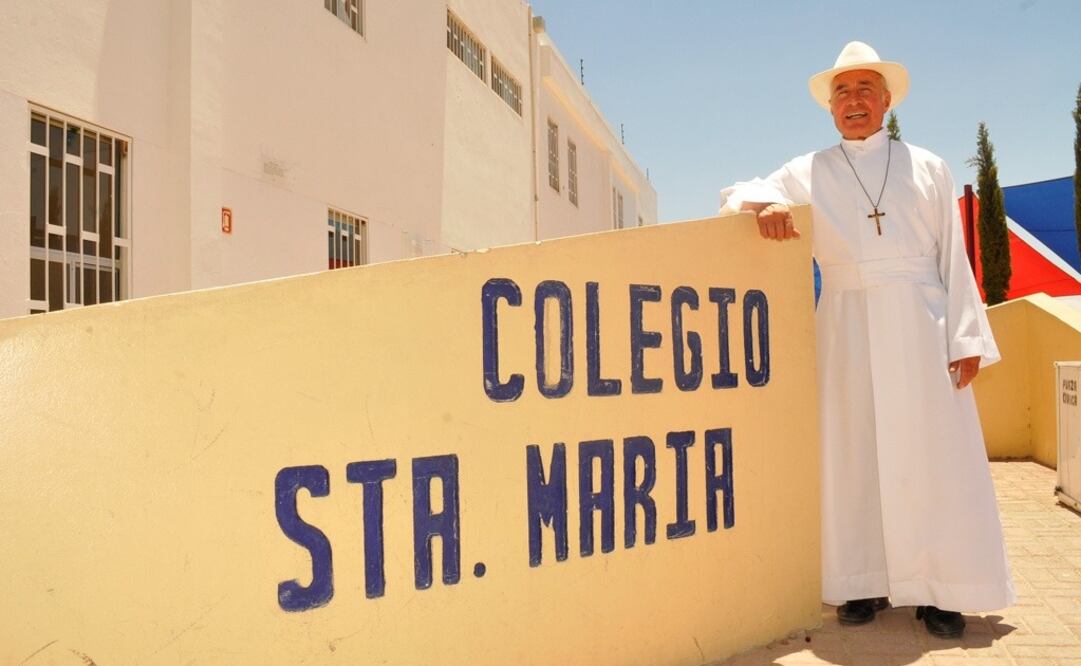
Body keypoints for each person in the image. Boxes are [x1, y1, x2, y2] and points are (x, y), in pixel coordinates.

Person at [719, 41, 1015, 639]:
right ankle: (861, 583)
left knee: (934, 458)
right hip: (846, 326)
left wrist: (965, 337)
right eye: (842, 93)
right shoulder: (809, 170)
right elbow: (734, 194)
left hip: (921, 323)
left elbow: (953, 258)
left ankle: (941, 590)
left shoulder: (927, 166)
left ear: (885, 101)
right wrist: (770, 205)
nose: (853, 102)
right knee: (854, 455)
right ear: (831, 109)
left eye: (864, 91)